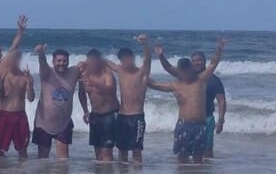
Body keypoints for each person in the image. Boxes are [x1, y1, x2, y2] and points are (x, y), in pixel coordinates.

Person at [148, 39, 226, 164]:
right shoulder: (176, 85)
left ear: (191, 69)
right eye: (182, 70)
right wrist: (159, 56)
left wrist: (219, 49)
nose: (185, 72)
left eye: (187, 69)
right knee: (182, 160)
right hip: (183, 125)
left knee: (198, 160)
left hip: (200, 125)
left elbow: (213, 64)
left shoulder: (201, 80)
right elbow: (156, 83)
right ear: (180, 71)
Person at [104, 34, 151, 164]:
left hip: (137, 117)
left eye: (129, 58)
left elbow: (148, 59)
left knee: (136, 153)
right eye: (123, 59)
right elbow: (105, 62)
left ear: (133, 58)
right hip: (122, 117)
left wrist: (145, 44)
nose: (126, 61)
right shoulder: (120, 70)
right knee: (122, 152)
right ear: (121, 60)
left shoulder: (142, 73)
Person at [32, 45, 82, 159]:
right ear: (53, 61)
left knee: (63, 160)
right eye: (59, 60)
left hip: (63, 123)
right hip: (43, 123)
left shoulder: (74, 72)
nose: (62, 63)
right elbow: (42, 62)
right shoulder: (46, 72)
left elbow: (87, 65)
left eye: (65, 61)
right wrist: (41, 53)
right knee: (43, 159)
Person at [78, 49, 120, 161]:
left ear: (100, 61)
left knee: (106, 153)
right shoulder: (84, 75)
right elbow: (81, 94)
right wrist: (85, 111)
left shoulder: (107, 74)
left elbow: (110, 90)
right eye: (90, 62)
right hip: (95, 116)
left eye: (95, 61)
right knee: (98, 154)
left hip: (109, 115)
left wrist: (94, 83)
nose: (93, 64)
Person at [0, 50, 35, 158]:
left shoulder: (25, 77)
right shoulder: (1, 75)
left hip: (19, 115)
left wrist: (29, 85)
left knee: (22, 149)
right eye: (9, 59)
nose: (11, 62)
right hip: (3, 114)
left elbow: (31, 99)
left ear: (18, 60)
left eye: (14, 59)